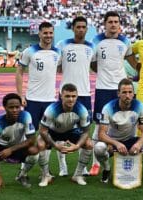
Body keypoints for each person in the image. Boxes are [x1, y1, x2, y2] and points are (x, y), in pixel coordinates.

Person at [90, 11, 136, 176]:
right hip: (103, 88)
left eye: (116, 22)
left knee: (130, 123)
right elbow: (93, 64)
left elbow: (133, 62)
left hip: (122, 89)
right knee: (98, 127)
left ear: (119, 24)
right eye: (110, 22)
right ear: (105, 24)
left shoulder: (125, 41)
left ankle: (128, 162)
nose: (113, 24)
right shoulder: (96, 41)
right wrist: (104, 74)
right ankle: (96, 164)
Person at [15, 21, 61, 184]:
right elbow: (19, 72)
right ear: (39, 34)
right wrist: (20, 95)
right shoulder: (30, 51)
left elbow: (61, 71)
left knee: (47, 137)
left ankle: (45, 171)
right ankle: (22, 171)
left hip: (50, 101)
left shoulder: (57, 53)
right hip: (32, 100)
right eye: (45, 33)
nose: (48, 36)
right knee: (28, 136)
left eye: (50, 33)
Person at [55, 16, 95, 177]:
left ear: (87, 29)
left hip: (84, 94)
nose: (80, 29)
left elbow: (94, 65)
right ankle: (63, 166)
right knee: (60, 130)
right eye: (78, 27)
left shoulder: (91, 47)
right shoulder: (62, 45)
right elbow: (57, 67)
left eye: (83, 27)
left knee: (83, 131)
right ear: (73, 28)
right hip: (65, 95)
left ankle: (82, 167)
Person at [94, 78, 143, 183]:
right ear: (118, 93)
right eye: (124, 92)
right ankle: (107, 169)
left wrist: (138, 144)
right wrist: (115, 143)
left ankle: (136, 165)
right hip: (113, 142)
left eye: (130, 92)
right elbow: (101, 134)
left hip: (131, 140)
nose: (127, 95)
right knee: (99, 148)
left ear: (133, 93)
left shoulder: (140, 106)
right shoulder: (108, 108)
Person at [0, 93, 39, 193]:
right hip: (0, 148)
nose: (15, 110)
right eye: (11, 107)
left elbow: (32, 140)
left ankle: (22, 175)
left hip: (17, 147)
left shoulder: (26, 116)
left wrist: (11, 149)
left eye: (17, 107)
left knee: (34, 150)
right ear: (5, 108)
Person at [37, 83, 92, 186]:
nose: (71, 99)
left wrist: (77, 146)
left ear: (77, 96)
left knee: (89, 144)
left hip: (71, 131)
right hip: (53, 132)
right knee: (40, 144)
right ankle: (46, 175)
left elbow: (86, 132)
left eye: (73, 96)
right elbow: (42, 130)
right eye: (67, 96)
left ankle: (78, 175)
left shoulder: (82, 110)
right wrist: (55, 145)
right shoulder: (51, 109)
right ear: (61, 96)